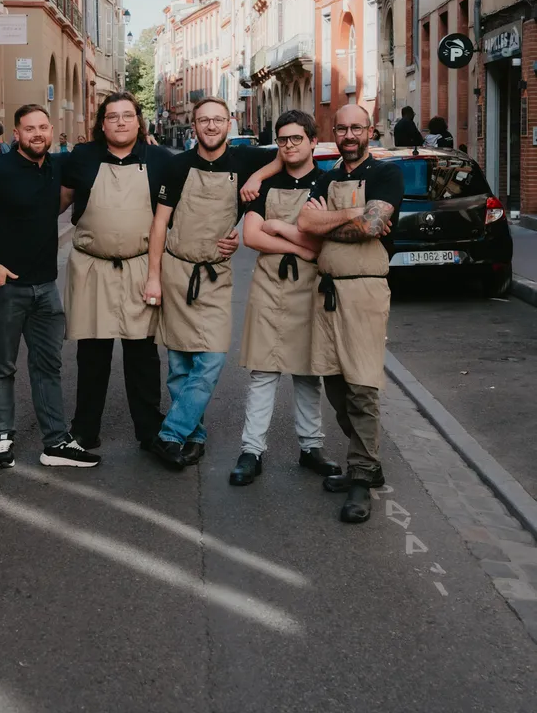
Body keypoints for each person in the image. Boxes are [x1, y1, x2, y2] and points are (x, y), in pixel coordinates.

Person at [0, 103, 99, 470]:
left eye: (43, 127)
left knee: (48, 366)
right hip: (4, 288)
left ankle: (56, 442)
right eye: (29, 129)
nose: (37, 134)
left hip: (46, 287)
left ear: (51, 131)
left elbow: (65, 195)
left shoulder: (56, 167)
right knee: (1, 367)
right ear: (16, 134)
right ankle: (2, 441)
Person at [144, 96, 281, 470]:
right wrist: (154, 277)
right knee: (180, 365)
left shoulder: (246, 160)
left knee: (211, 359)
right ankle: (194, 436)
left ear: (229, 123)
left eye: (217, 120)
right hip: (176, 272)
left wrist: (256, 178)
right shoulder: (177, 166)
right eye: (203, 120)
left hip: (215, 276)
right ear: (194, 126)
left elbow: (286, 156)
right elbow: (159, 225)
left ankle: (170, 433)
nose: (210, 126)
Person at [297, 104, 404, 525]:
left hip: (364, 290)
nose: (348, 134)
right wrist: (352, 215)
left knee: (362, 386)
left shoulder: (385, 175)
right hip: (327, 294)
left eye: (355, 127)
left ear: (370, 131)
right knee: (336, 386)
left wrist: (332, 220)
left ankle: (361, 475)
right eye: (340, 128)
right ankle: (368, 464)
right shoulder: (327, 175)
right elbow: (305, 222)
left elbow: (374, 227)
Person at [229, 110, 341, 487]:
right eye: (283, 140)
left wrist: (278, 227)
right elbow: (252, 237)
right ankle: (251, 451)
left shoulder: (328, 184)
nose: (290, 145)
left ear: (313, 141)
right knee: (263, 371)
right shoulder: (265, 183)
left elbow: (319, 241)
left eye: (297, 138)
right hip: (269, 286)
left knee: (309, 372)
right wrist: (300, 244)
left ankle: (311, 448)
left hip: (309, 288)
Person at [59, 91, 174, 453]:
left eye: (128, 116)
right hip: (92, 267)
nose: (121, 122)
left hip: (142, 264)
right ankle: (84, 430)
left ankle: (149, 430)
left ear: (139, 122)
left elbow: (175, 214)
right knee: (93, 353)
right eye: (113, 116)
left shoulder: (158, 159)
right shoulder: (82, 157)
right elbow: (56, 202)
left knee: (142, 353)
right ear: (102, 124)